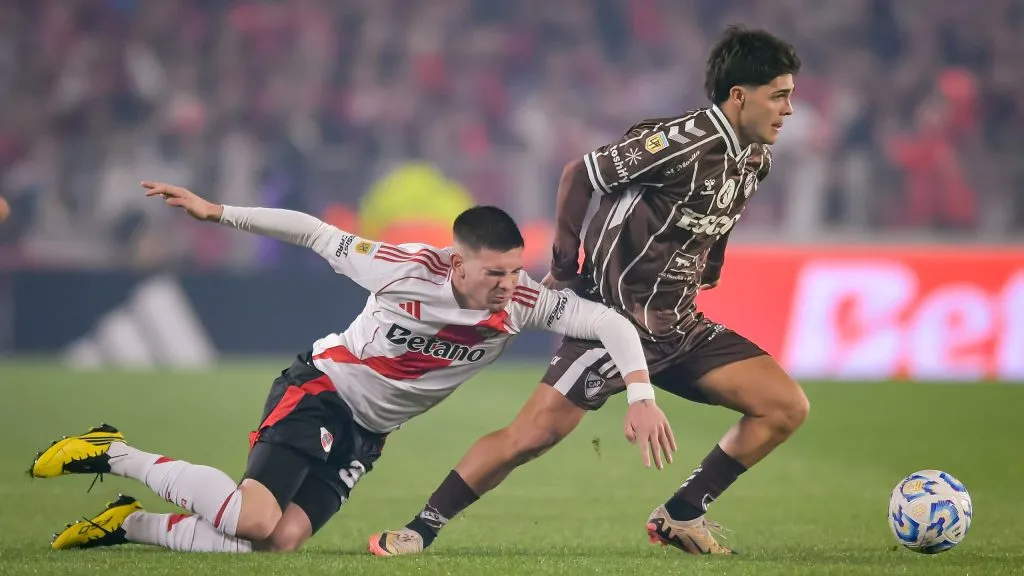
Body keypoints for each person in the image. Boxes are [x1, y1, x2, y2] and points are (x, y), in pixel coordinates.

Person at [29, 182, 675, 553]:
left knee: (278, 541)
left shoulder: (523, 304)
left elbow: (609, 323)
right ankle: (116, 453)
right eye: (495, 272)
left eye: (516, 270)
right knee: (254, 519)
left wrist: (641, 394)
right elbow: (312, 232)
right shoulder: (401, 268)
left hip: (369, 431)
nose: (511, 284)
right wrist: (217, 213)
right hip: (321, 389)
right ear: (458, 264)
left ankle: (127, 522)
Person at [370, 25, 809, 557]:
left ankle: (682, 514)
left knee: (785, 406)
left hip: (678, 323)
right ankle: (420, 530)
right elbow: (580, 175)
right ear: (739, 95)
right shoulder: (680, 142)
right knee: (529, 438)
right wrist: (564, 264)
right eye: (779, 95)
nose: (788, 108)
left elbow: (721, 216)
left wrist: (709, 263)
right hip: (611, 320)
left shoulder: (754, 158)